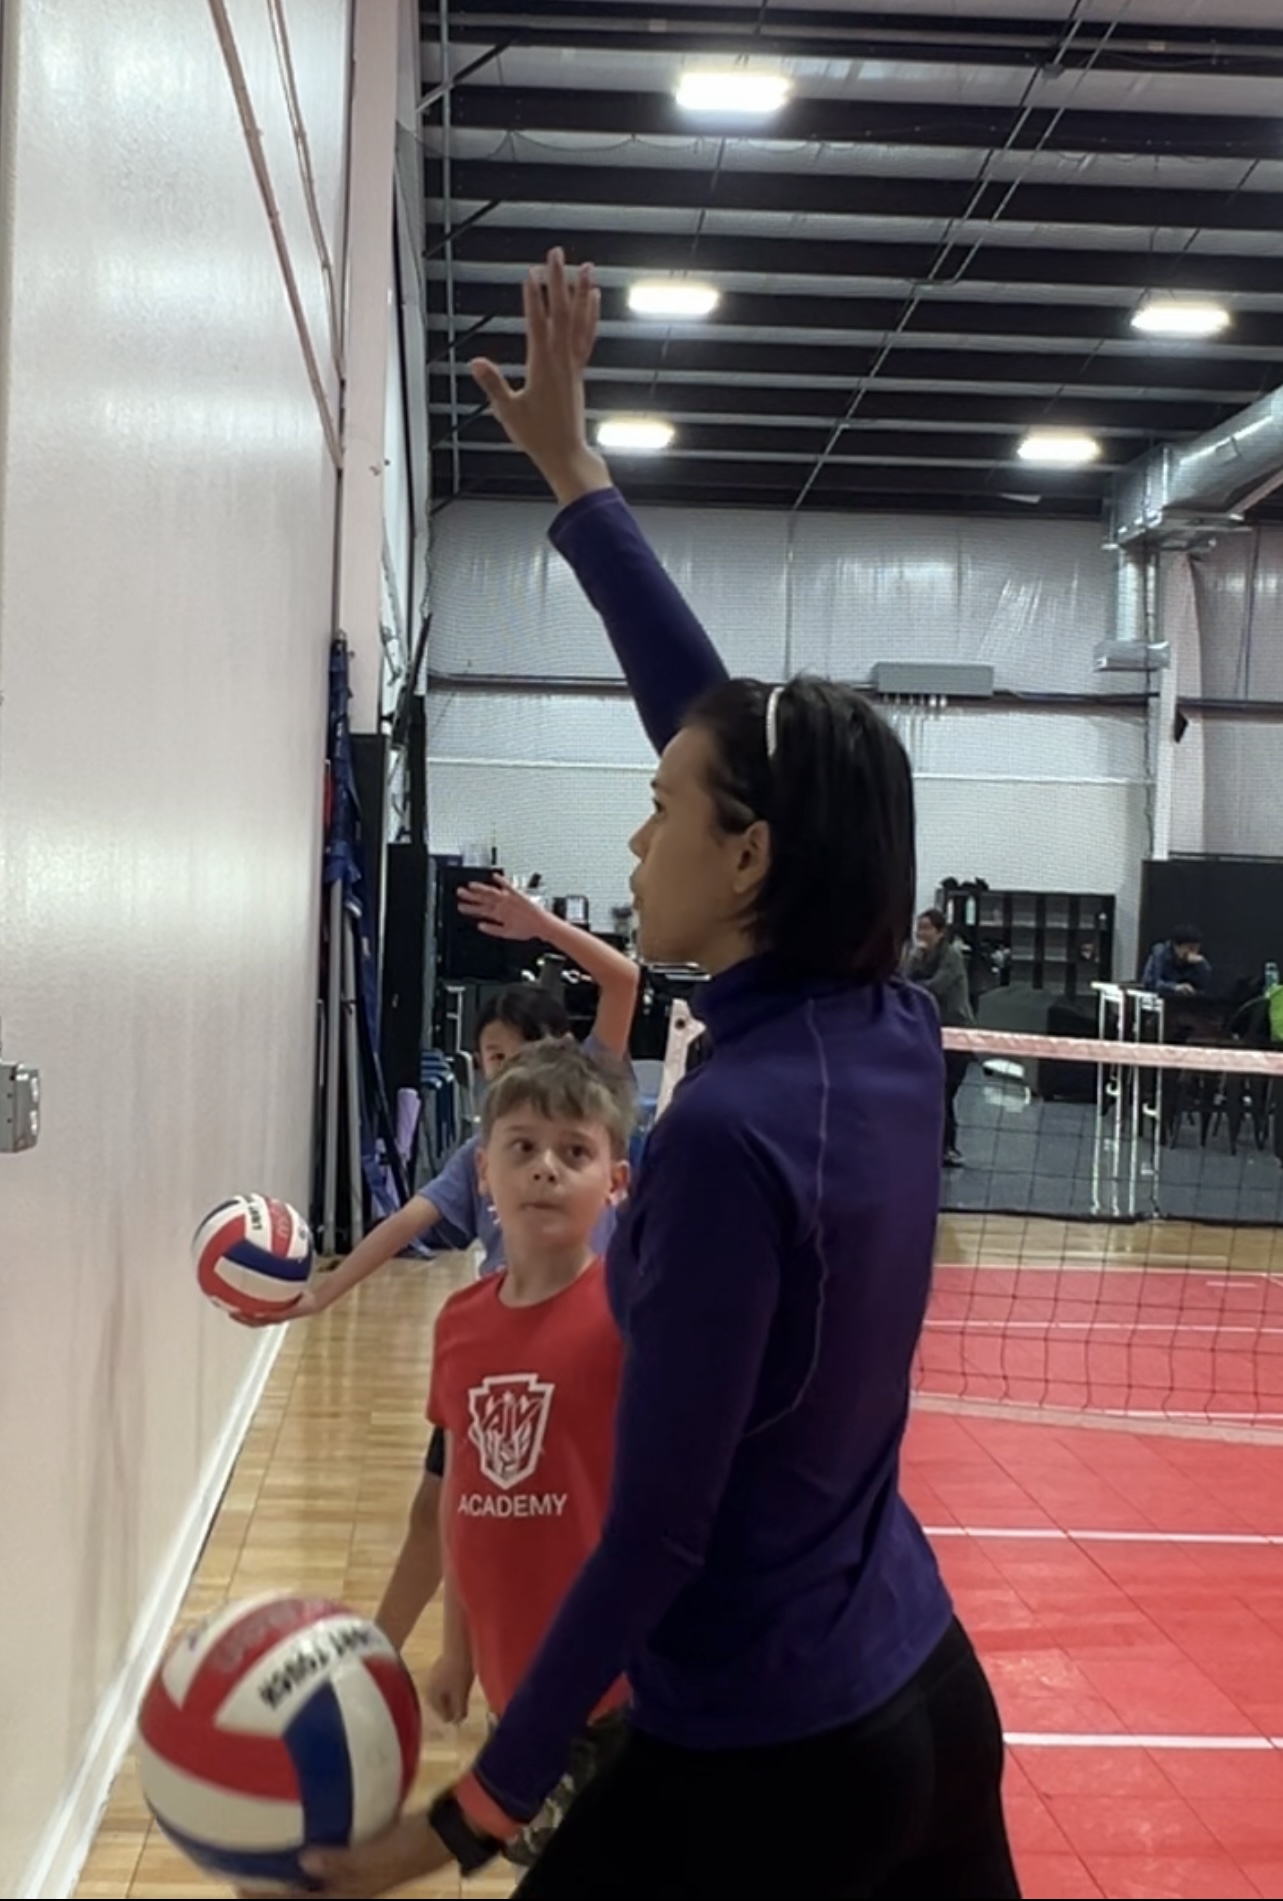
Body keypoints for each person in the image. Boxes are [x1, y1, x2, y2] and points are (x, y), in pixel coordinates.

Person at [275, 249, 1020, 1901]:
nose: (638, 826)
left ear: (746, 858)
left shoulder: (721, 1143)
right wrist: (576, 476)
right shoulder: (891, 1032)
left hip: (760, 1758)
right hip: (926, 1693)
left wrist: (475, 1812)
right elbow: (713, 722)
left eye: (665, 808)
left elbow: (659, 1537)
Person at [249, 870, 639, 1651]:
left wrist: (539, 924)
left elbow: (622, 979)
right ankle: (381, 1655)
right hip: (499, 1357)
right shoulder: (479, 1154)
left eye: (507, 1054)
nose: (495, 1072)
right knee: (443, 1508)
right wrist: (323, 1294)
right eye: (487, 1057)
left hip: (585, 1351)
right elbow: (405, 1223)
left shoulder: (587, 1099)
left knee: (577, 1517)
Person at [426, 1039, 635, 1869]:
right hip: (514, 1692)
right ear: (483, 1172)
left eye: (574, 1151)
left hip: (615, 1693)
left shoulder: (630, 1316)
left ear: (614, 1180)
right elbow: (460, 1504)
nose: (544, 1168)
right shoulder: (459, 1324)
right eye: (522, 1147)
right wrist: (455, 1648)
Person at [908, 907, 975, 1168]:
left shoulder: (952, 956)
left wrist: (908, 987)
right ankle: (931, 1146)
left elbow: (936, 987)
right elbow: (903, 979)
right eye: (919, 927)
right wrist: (914, 960)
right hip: (931, 1033)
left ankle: (948, 1147)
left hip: (958, 1034)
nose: (920, 933)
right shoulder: (919, 957)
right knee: (933, 1091)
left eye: (926, 928)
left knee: (945, 1092)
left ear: (940, 932)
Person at [1140, 925, 1212, 1000]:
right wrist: (1175, 987)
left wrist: (1203, 965)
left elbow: (1203, 987)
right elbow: (1155, 983)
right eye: (1190, 948)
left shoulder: (1197, 961)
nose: (1194, 952)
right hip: (1158, 998)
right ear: (1176, 946)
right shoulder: (1160, 953)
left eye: (1196, 949)